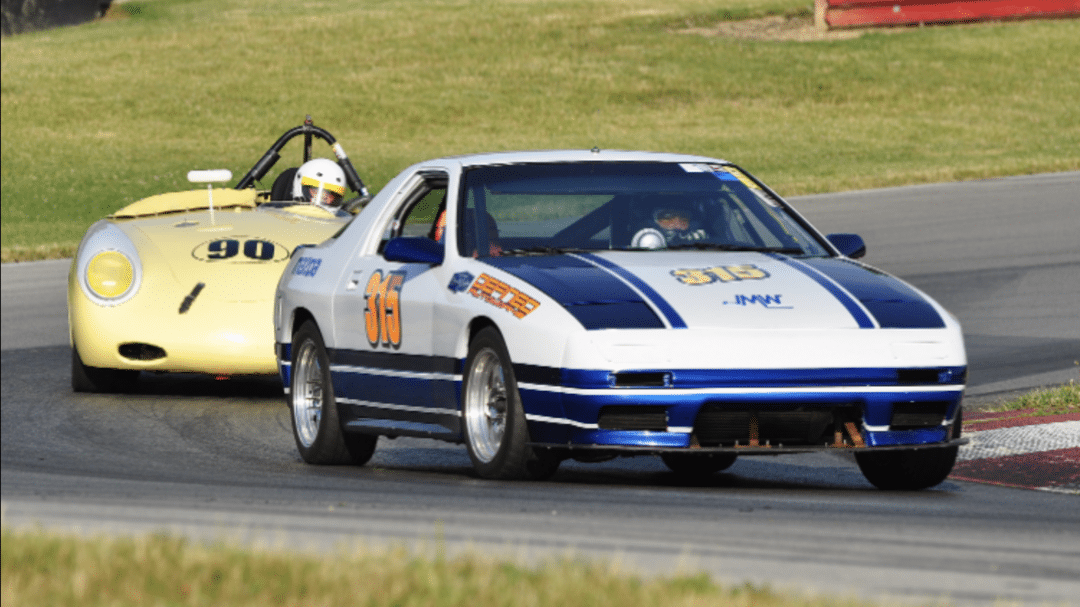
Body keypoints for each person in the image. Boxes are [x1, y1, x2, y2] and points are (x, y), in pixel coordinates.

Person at [631, 205, 709, 249]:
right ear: (653, 221)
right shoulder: (642, 239)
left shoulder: (700, 239)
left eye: (683, 217)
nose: (677, 222)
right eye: (667, 217)